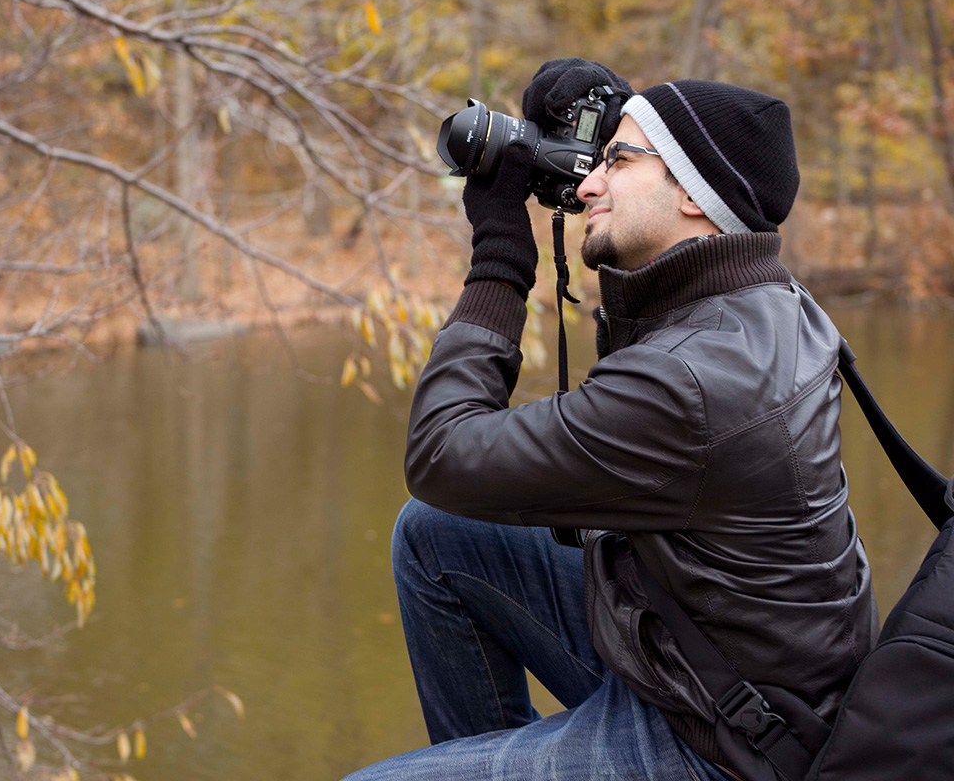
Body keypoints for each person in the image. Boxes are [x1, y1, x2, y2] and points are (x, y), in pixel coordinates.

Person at [344, 60, 878, 780]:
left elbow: (442, 454)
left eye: (616, 162)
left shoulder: (691, 381)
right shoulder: (758, 295)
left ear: (693, 195)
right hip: (713, 659)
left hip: (723, 744)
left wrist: (501, 256)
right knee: (439, 535)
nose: (588, 182)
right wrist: (605, 118)